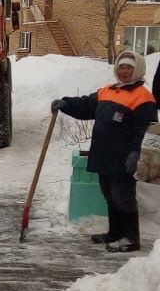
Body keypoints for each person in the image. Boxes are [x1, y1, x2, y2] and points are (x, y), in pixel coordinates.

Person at [51, 50, 158, 253]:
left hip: (125, 157)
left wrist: (136, 153)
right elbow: (86, 105)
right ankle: (115, 233)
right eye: (121, 67)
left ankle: (131, 238)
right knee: (109, 194)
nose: (124, 71)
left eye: (129, 68)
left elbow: (144, 131)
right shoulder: (108, 91)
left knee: (123, 196)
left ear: (138, 70)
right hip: (104, 154)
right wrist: (66, 103)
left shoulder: (143, 99)